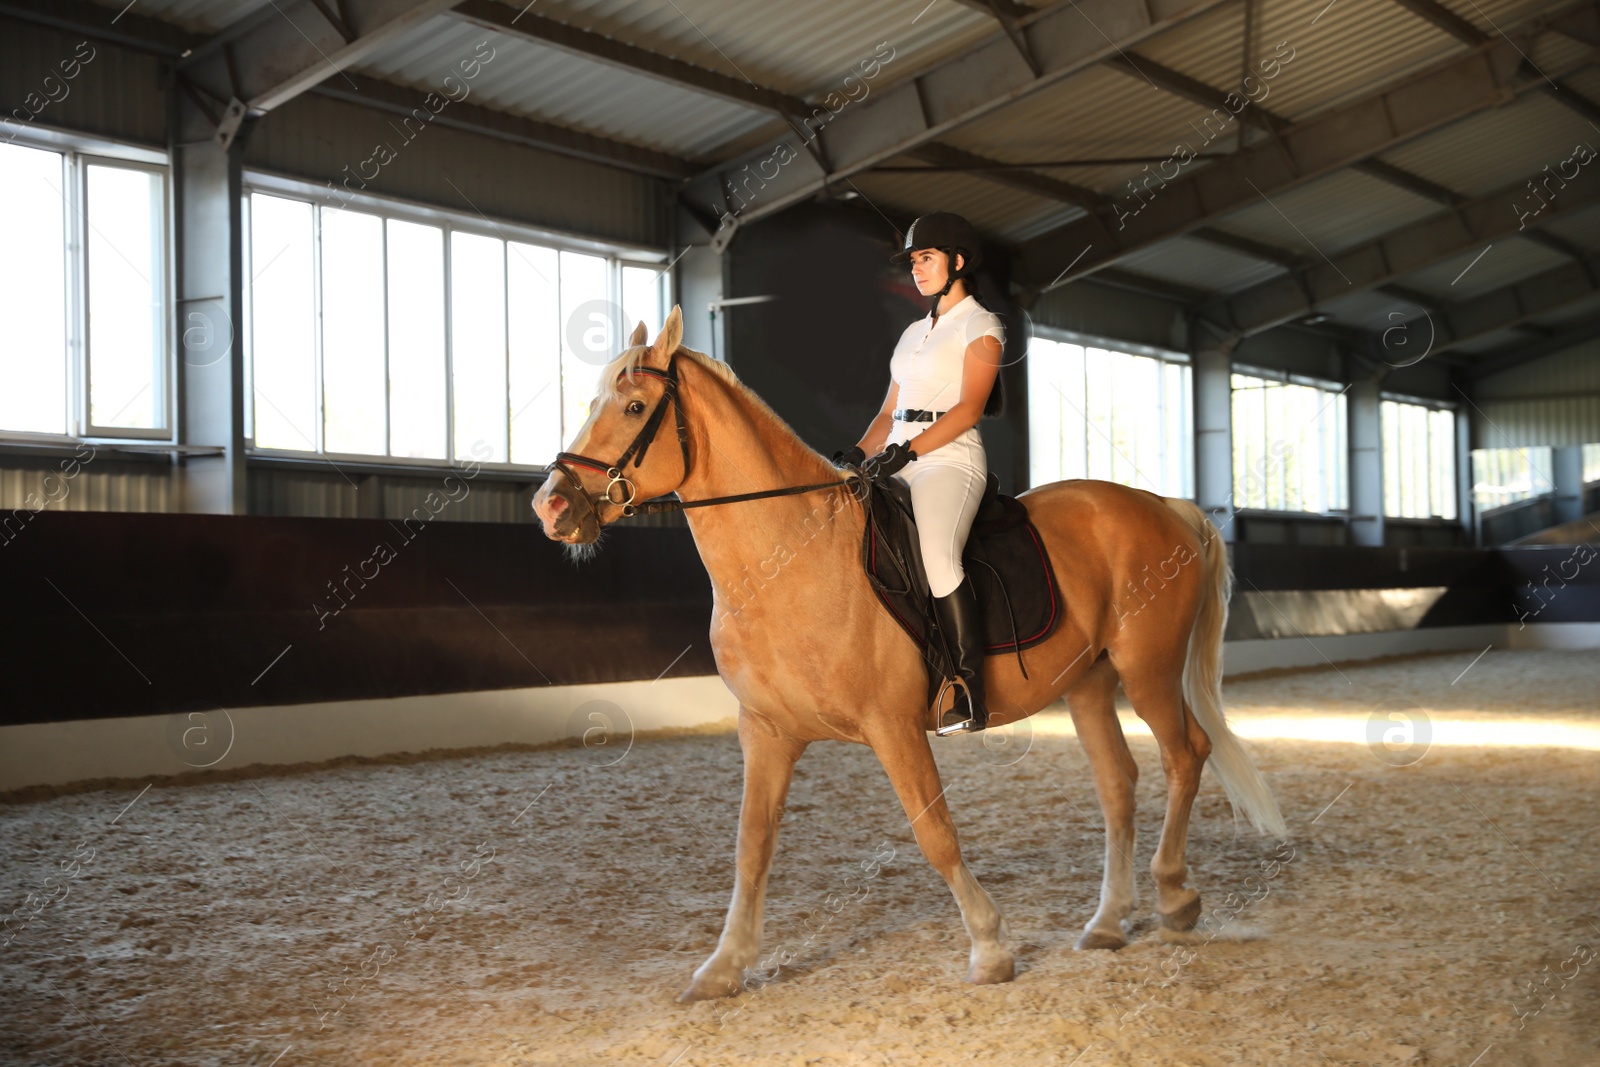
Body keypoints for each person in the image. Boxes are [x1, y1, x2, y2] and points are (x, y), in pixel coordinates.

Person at [834, 212, 1005, 735]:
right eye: (913, 261)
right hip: (894, 458)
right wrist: (854, 455)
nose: (917, 270)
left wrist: (907, 455)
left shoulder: (982, 325)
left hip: (949, 461)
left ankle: (967, 689)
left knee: (936, 555)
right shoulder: (912, 333)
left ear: (957, 262)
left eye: (925, 258)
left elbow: (969, 409)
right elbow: (890, 411)